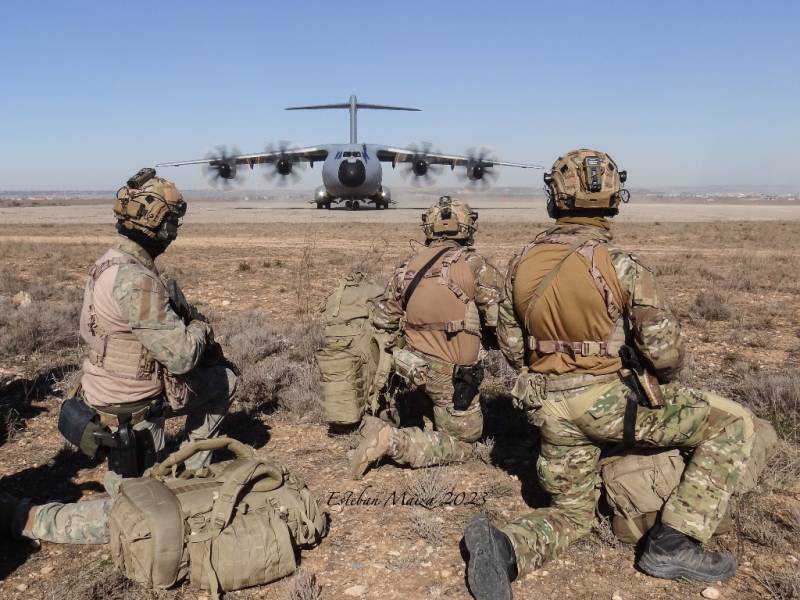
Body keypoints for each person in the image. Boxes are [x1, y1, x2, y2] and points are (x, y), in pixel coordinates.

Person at [462, 149, 755, 599]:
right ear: (615, 197)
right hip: (608, 406)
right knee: (733, 423)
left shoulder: (521, 263)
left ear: (555, 197)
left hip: (550, 411)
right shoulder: (620, 264)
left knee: (574, 515)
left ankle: (506, 549)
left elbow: (511, 345)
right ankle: (676, 539)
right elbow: (666, 356)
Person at [59, 168, 236, 494]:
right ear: (158, 224)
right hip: (131, 406)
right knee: (225, 379)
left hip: (101, 391)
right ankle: (191, 475)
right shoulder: (137, 280)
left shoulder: (109, 261)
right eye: (172, 222)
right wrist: (199, 327)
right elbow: (182, 359)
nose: (174, 232)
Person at [348, 196, 508, 477]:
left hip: (411, 368)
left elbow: (385, 319)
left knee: (436, 409)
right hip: (452, 374)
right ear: (466, 227)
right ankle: (394, 442)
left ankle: (416, 421)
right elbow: (499, 321)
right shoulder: (475, 265)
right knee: (466, 444)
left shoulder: (407, 265)